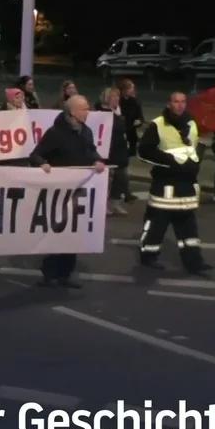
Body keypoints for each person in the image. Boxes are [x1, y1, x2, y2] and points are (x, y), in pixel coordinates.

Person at [28, 95, 108, 288]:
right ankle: (50, 273)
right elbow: (35, 154)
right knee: (57, 233)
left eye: (87, 108)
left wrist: (97, 161)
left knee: (73, 233)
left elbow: (90, 151)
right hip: (58, 192)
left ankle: (65, 273)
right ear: (72, 112)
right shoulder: (56, 133)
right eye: (84, 109)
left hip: (78, 190)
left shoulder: (86, 132)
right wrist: (43, 163)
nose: (87, 112)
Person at [138, 92, 212, 275]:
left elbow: (191, 150)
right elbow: (144, 151)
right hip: (165, 185)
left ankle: (194, 262)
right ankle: (148, 256)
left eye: (182, 102)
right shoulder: (158, 124)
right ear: (169, 103)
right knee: (157, 225)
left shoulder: (192, 124)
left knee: (189, 228)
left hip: (186, 184)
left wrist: (196, 158)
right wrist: (170, 160)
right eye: (175, 102)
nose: (179, 105)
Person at [97, 87, 130, 215]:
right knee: (108, 179)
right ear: (107, 98)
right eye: (113, 97)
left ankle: (115, 202)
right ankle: (103, 204)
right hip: (108, 151)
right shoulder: (102, 113)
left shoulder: (118, 112)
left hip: (120, 151)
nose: (116, 99)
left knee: (122, 177)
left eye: (117, 96)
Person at [118, 78, 145, 163]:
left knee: (132, 136)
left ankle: (131, 150)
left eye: (133, 88)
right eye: (130, 88)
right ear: (123, 90)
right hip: (121, 127)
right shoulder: (118, 101)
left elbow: (140, 116)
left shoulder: (135, 101)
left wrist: (139, 121)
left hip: (130, 129)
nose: (132, 90)